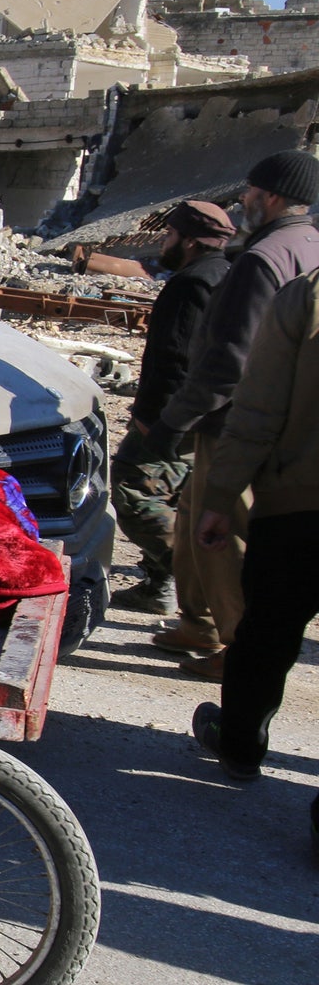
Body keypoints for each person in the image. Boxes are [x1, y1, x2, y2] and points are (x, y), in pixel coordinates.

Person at [145, 150, 319, 680]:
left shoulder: (263, 259)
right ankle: (198, 621)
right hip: (280, 421)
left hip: (236, 423)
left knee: (222, 532)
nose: (241, 202)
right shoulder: (309, 245)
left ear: (271, 197)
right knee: (196, 517)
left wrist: (174, 421)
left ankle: (237, 647)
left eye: (249, 193)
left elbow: (229, 359)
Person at [188, 265, 319, 858]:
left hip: (301, 505)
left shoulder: (309, 295)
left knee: (267, 630)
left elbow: (260, 405)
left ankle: (240, 744)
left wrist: (220, 496)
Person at [109, 201, 235, 616]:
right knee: (179, 499)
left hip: (171, 417)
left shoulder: (192, 283)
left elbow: (175, 359)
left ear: (191, 241)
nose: (164, 243)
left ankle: (190, 579)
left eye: (170, 236)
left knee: (133, 491)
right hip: (207, 415)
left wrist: (157, 421)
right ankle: (159, 585)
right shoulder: (227, 276)